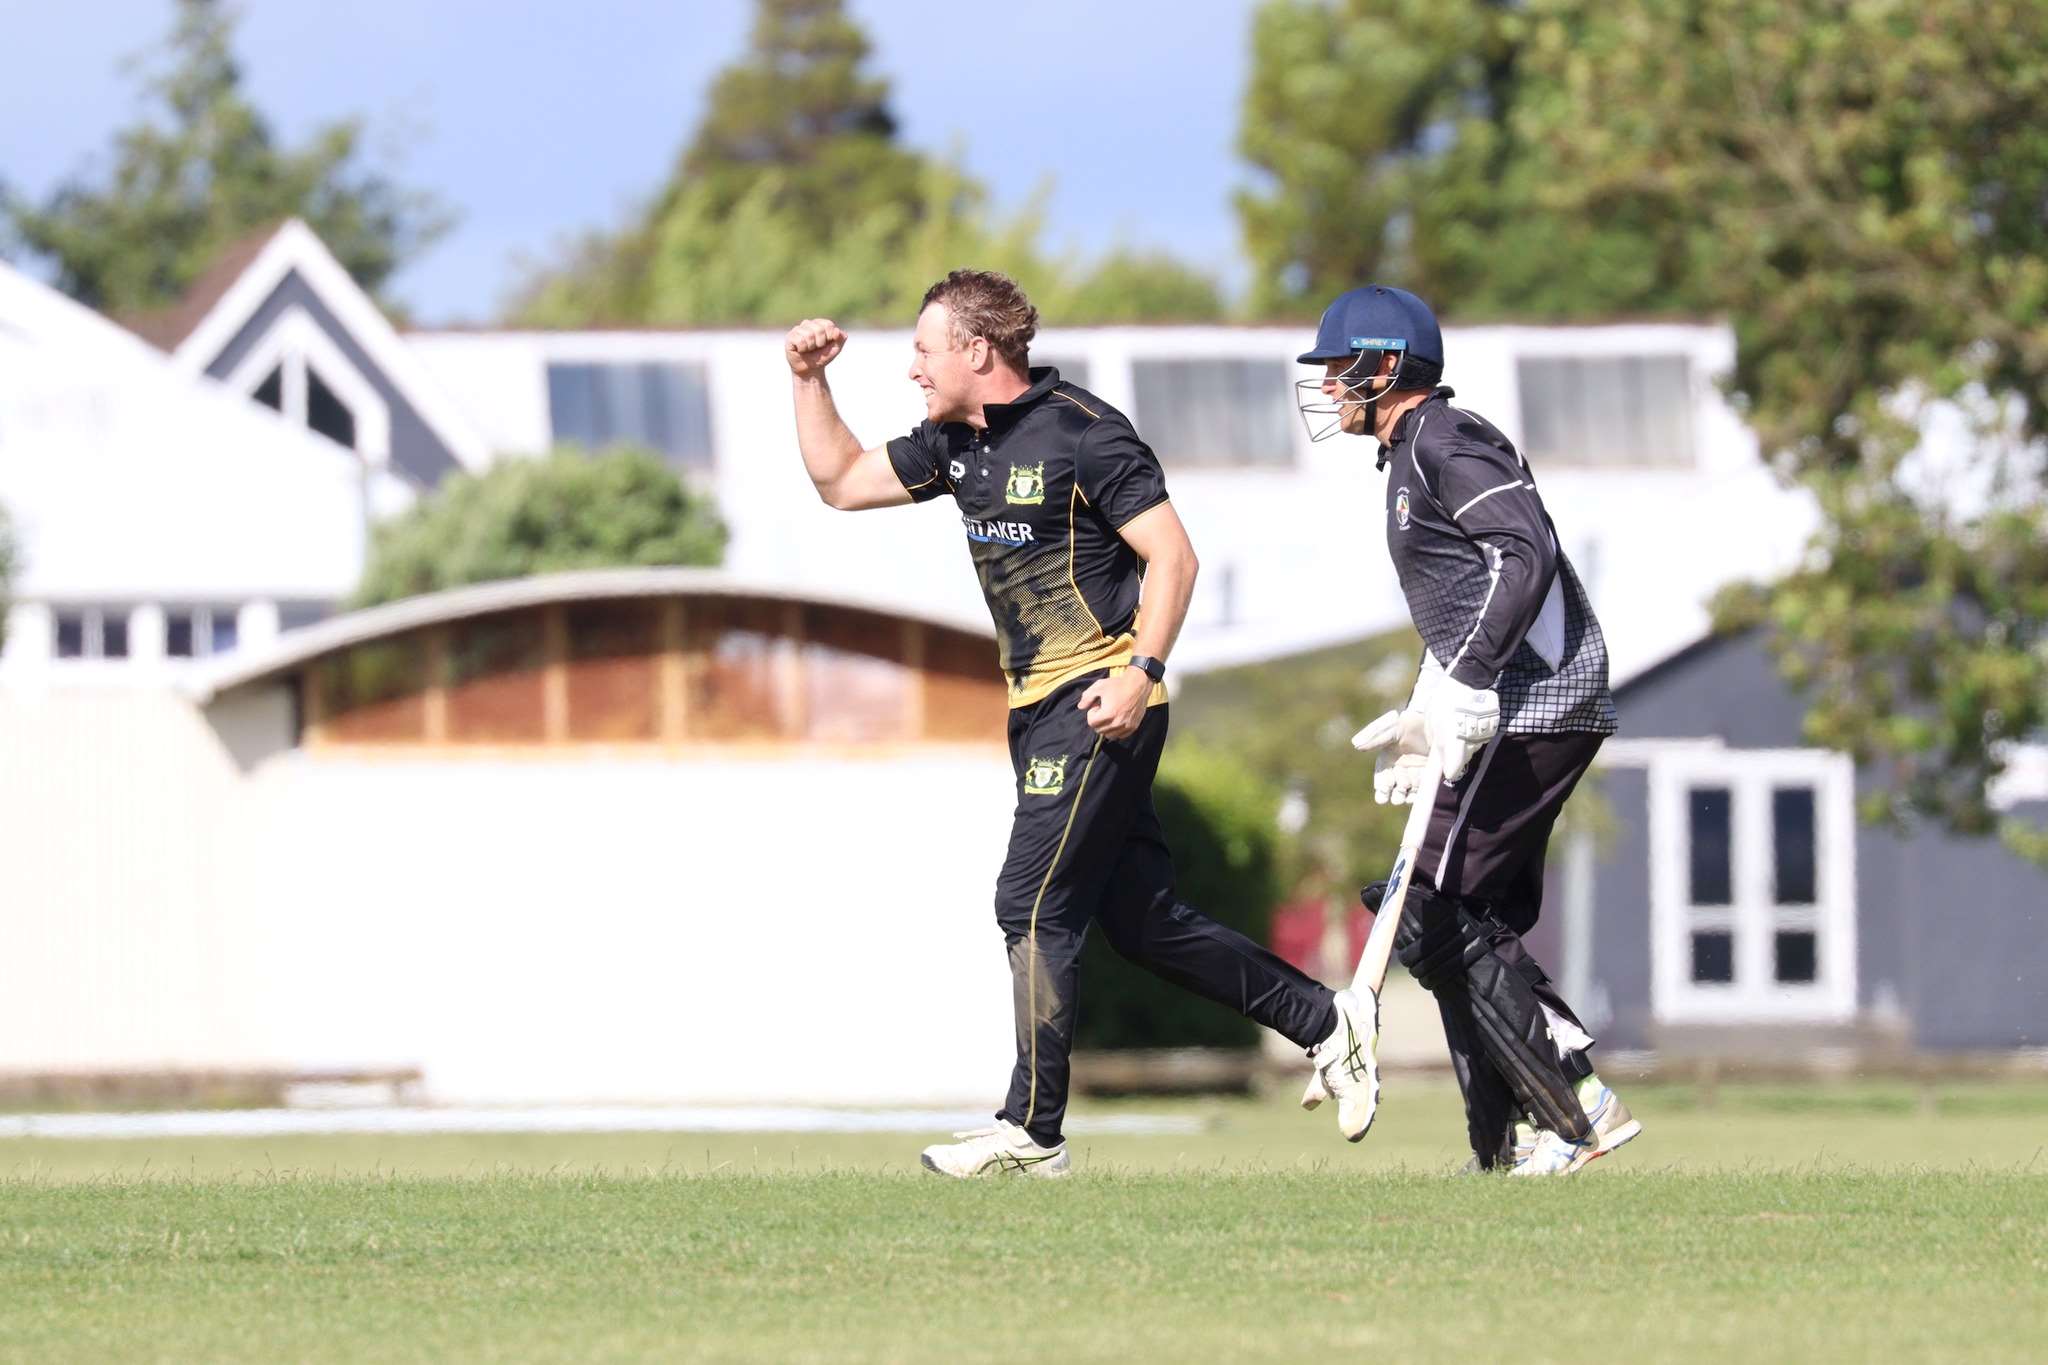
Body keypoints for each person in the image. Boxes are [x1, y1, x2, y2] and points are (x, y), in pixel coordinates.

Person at [787, 269, 1375, 1178]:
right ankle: (1325, 1021)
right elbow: (839, 481)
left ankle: (1032, 1131)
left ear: (977, 352)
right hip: (1035, 710)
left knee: (1027, 903)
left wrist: (1142, 672)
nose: (912, 368)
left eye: (922, 349)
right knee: (1143, 923)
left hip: (1102, 700)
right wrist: (806, 380)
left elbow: (1174, 558)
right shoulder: (953, 442)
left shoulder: (1087, 435)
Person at [1293, 284, 1643, 1176]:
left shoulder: (1448, 439)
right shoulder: (1408, 457)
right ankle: (1501, 1145)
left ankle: (1573, 1107)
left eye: (1341, 368)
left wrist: (1476, 681)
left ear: (1386, 366)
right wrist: (1427, 702)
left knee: (1429, 908)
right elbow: (1460, 599)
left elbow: (1524, 554)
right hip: (1508, 700)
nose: (1330, 386)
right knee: (1459, 917)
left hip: (1538, 700)